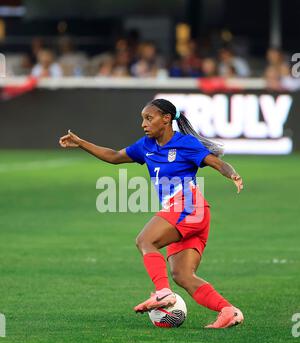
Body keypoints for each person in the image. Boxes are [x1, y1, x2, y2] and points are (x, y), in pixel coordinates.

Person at [59, 98, 244, 329]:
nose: (144, 124)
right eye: (143, 119)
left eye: (149, 118)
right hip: (188, 214)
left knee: (145, 240)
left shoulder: (185, 143)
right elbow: (115, 156)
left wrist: (233, 174)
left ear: (166, 119)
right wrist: (81, 142)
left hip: (189, 205)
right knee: (183, 276)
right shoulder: (146, 145)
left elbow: (215, 162)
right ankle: (228, 311)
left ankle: (163, 293)